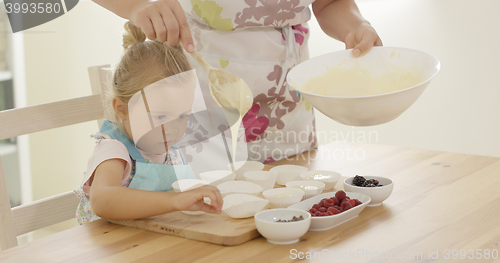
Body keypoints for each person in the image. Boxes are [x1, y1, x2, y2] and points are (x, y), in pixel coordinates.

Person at [91, 0, 382, 169]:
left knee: (290, 213)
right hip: (197, 98)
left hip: (289, 107)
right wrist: (135, 4)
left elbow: (328, 2)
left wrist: (355, 25)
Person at [74, 21, 222, 224]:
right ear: (122, 109)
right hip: (111, 250)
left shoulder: (172, 153)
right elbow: (102, 200)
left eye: (181, 116)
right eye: (160, 117)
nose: (171, 129)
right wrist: (174, 200)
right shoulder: (114, 151)